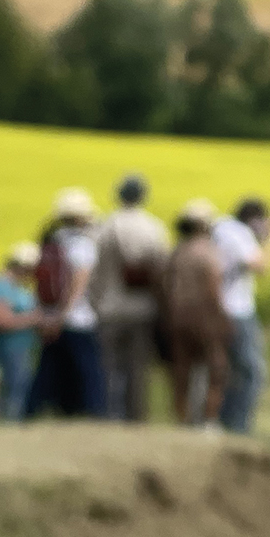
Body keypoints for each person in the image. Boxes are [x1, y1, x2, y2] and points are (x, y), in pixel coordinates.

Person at [93, 173, 169, 421]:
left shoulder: (104, 226)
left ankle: (110, 417)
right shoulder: (154, 228)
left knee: (109, 370)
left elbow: (94, 272)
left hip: (109, 309)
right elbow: (163, 272)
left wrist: (96, 304)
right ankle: (136, 421)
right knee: (138, 371)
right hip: (143, 309)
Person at [27, 188, 104, 418]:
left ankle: (32, 413)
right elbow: (79, 283)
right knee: (88, 373)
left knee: (49, 372)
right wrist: (63, 315)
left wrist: (49, 316)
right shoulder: (83, 244)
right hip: (77, 319)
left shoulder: (52, 240)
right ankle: (93, 416)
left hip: (49, 316)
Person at [162, 199, 231, 427]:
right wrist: (222, 318)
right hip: (204, 317)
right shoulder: (208, 252)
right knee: (216, 368)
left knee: (182, 371)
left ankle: (183, 420)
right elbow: (213, 289)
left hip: (176, 317)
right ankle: (208, 421)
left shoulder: (177, 252)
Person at [212, 197, 270, 434]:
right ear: (255, 220)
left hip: (217, 310)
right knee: (251, 372)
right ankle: (238, 427)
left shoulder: (220, 228)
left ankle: (223, 422)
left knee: (226, 371)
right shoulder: (237, 233)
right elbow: (260, 266)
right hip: (237, 311)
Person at [0, 243, 43, 420]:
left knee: (21, 386)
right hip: (10, 347)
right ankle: (10, 422)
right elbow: (0, 320)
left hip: (23, 346)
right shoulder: (1, 285)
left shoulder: (18, 286)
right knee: (14, 387)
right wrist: (33, 319)